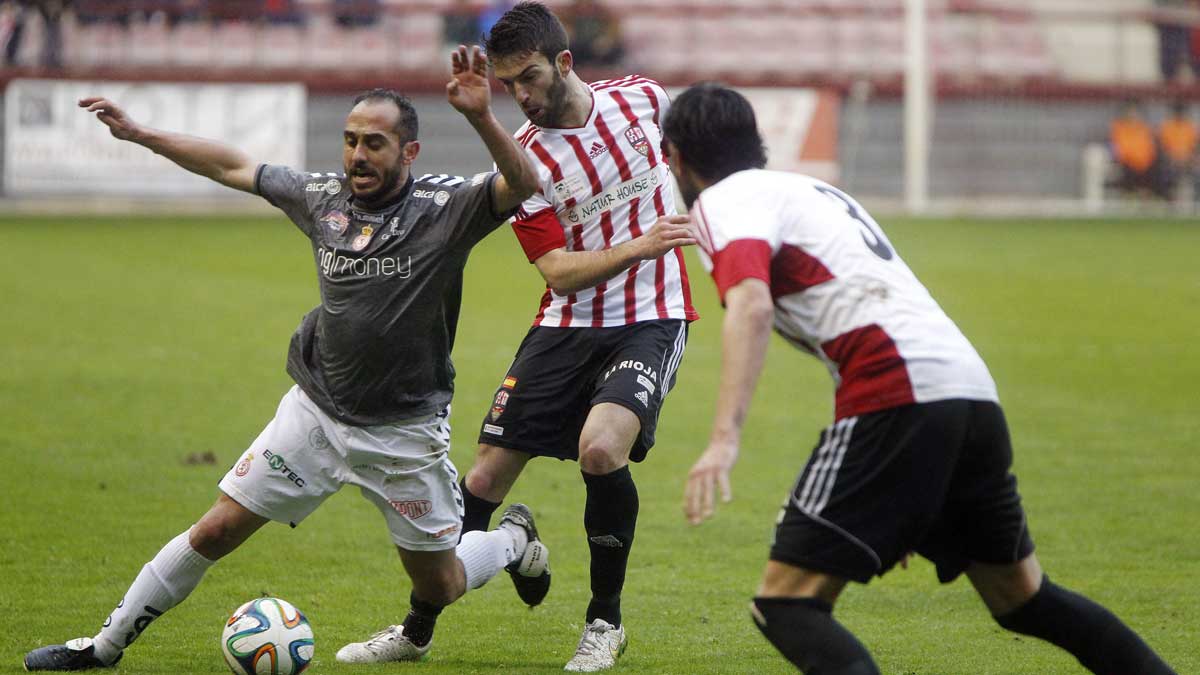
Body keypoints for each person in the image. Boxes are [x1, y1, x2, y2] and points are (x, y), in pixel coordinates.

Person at [23, 45, 547, 671]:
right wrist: (141, 135)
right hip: (316, 413)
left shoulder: (447, 208)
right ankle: (103, 648)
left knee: (439, 586)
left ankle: (513, 541)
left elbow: (523, 184)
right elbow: (235, 164)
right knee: (216, 529)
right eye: (351, 140)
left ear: (409, 152)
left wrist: (483, 118)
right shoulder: (322, 198)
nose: (357, 155)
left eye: (375, 144)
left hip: (404, 431)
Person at [666, 82, 1177, 675]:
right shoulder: (813, 190)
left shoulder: (724, 202)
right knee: (1023, 599)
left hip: (900, 395)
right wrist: (906, 494)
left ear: (676, 157)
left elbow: (751, 306)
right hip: (968, 393)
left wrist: (725, 437)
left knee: (785, 605)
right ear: (755, 141)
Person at [390, 2, 695, 671]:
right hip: (566, 323)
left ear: (564, 62)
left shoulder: (644, 98)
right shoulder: (523, 166)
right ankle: (418, 625)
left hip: (651, 314)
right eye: (508, 86)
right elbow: (558, 274)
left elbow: (692, 162)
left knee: (600, 449)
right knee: (485, 476)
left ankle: (604, 622)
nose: (521, 95)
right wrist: (644, 240)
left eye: (528, 77)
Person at [1109, 101, 1168, 198]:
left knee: (1160, 171)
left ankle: (1155, 198)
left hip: (1147, 164)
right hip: (1128, 163)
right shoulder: (1119, 128)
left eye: (1135, 112)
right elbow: (1116, 147)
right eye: (1130, 112)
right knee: (1128, 172)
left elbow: (1151, 147)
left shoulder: (1144, 128)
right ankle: (1132, 195)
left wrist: (1148, 159)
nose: (1133, 115)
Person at [1159, 100, 1198, 198]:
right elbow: (1163, 149)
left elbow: (1195, 148)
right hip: (1171, 162)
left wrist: (1190, 159)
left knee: (1197, 171)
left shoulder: (1189, 127)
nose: (1180, 114)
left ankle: (1196, 198)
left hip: (1188, 162)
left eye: (1182, 111)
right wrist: (1173, 159)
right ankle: (1168, 197)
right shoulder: (1167, 127)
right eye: (1178, 111)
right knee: (1166, 172)